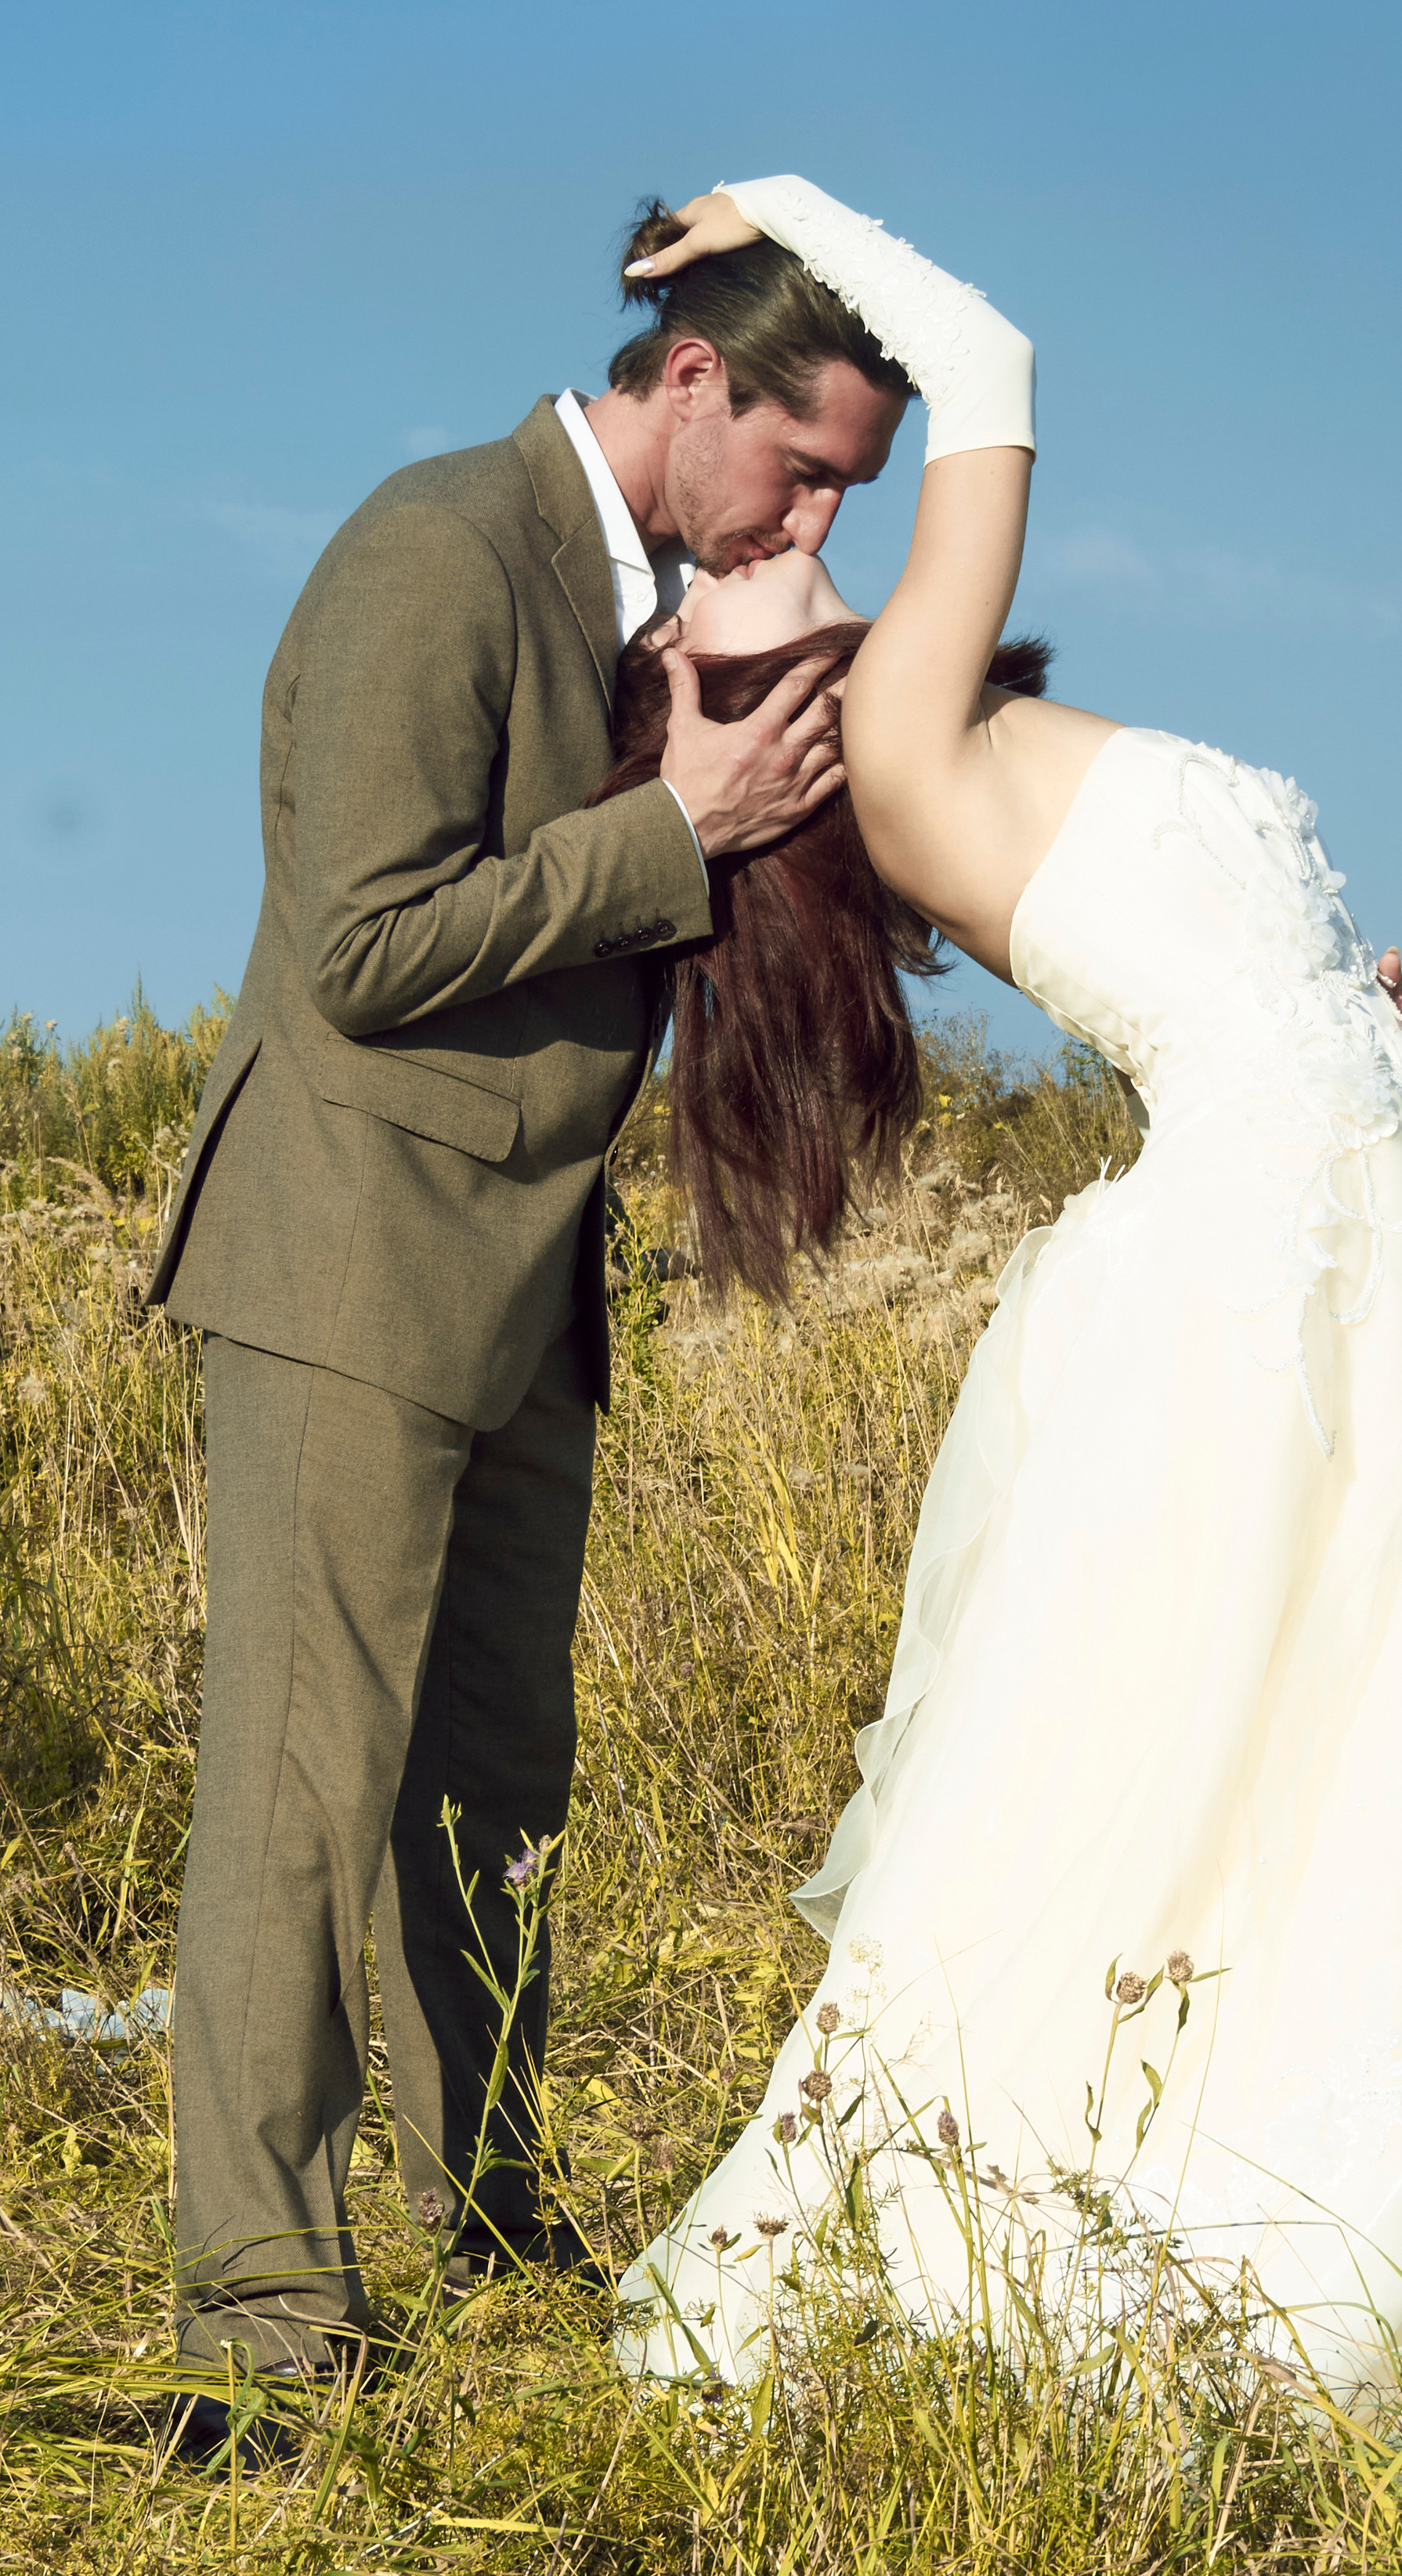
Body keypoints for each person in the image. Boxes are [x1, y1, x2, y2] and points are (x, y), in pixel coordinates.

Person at [611, 179, 1402, 2412]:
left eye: (782, 521)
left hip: (1358, 1184)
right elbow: (993, 370)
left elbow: (1236, 962)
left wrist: (1366, 1023)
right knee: (1333, 1689)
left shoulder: (943, 713)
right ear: (761, 734)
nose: (771, 535)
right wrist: (784, 208)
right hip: (1286, 1213)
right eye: (721, 589)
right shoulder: (898, 726)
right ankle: (1317, 2213)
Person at [144, 208, 920, 2444]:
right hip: (347, 1268)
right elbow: (364, 949)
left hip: (521, 1294)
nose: (816, 515)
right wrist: (677, 826)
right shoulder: (434, 547)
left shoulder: (640, 605)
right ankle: (261, 2331)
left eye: (850, 482)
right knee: (302, 1803)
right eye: (803, 467)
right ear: (690, 382)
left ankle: (487, 2210)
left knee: (496, 1795)